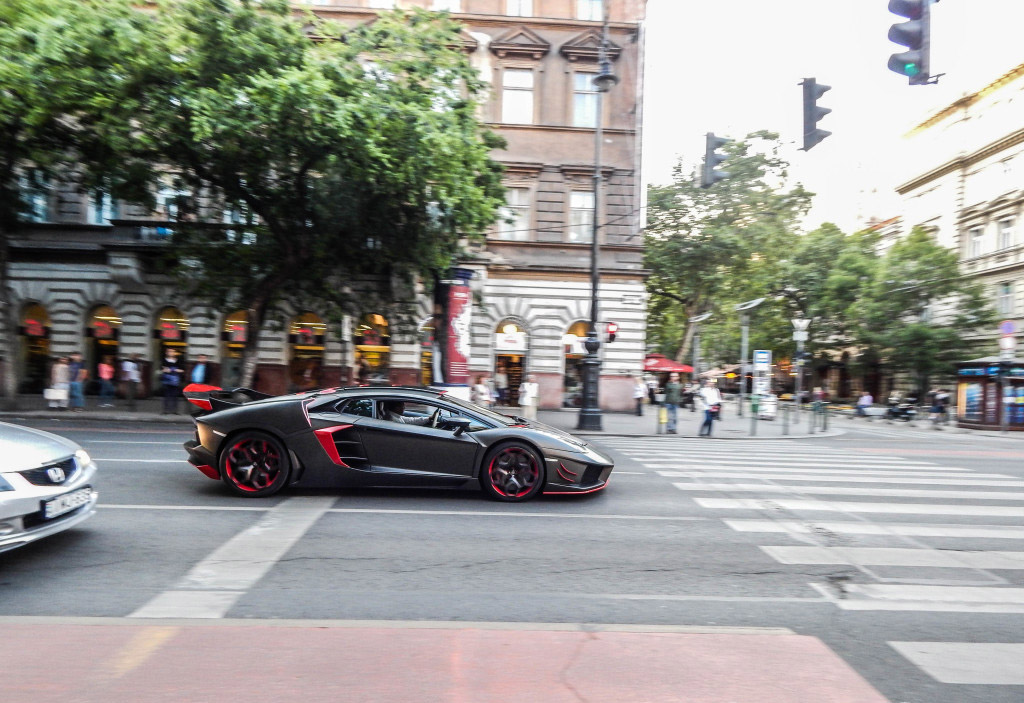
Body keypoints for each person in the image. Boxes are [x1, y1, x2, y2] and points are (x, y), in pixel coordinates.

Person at [160, 349, 184, 414]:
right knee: (166, 396)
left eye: (173, 352)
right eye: (169, 351)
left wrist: (170, 369)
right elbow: (163, 370)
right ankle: (165, 410)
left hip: (175, 381)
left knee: (175, 396)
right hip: (166, 381)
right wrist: (175, 370)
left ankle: (174, 410)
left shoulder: (178, 361)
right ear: (166, 353)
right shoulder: (164, 360)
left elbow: (182, 370)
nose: (171, 353)